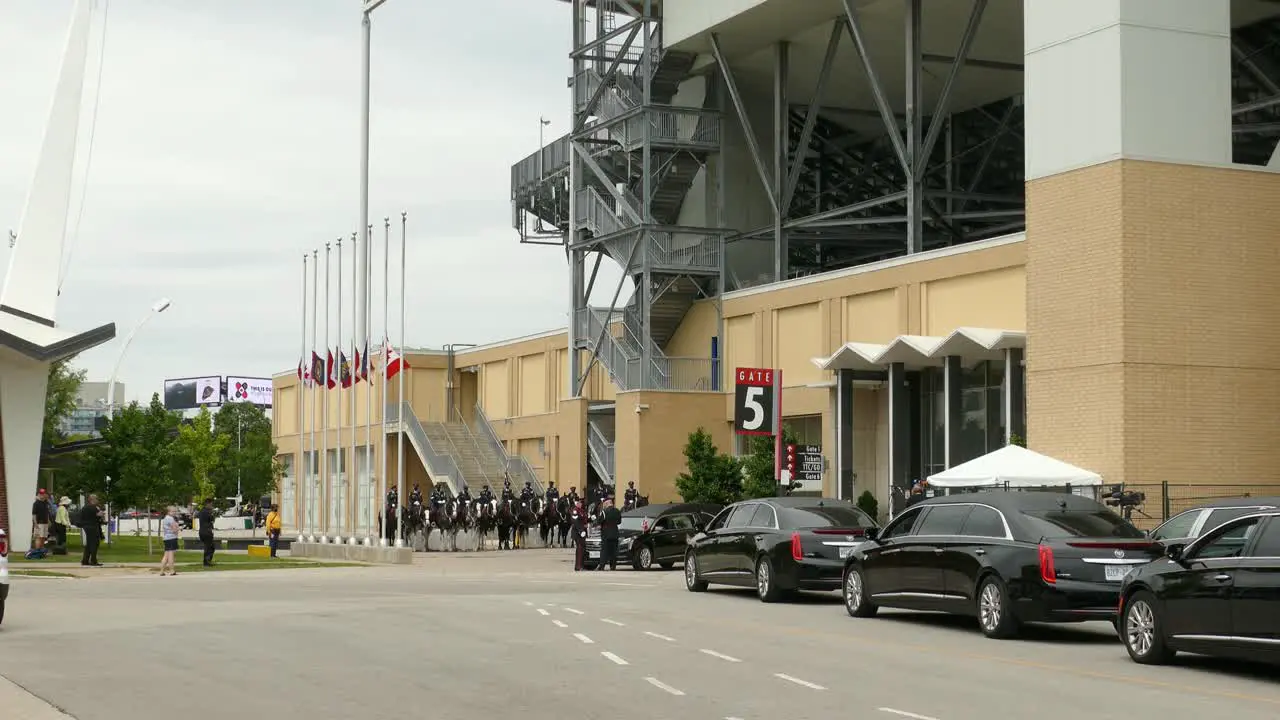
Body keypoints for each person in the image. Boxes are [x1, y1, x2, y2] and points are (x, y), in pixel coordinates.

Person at [597, 497, 622, 571]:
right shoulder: (617, 511)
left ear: (607, 503)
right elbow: (619, 522)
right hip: (615, 533)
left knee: (604, 550)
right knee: (614, 551)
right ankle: (613, 566)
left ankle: (602, 566)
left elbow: (599, 521)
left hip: (606, 533)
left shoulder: (604, 512)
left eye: (605, 504)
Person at [79, 495, 104, 567]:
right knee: (94, 543)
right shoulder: (93, 507)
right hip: (93, 527)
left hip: (86, 527)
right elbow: (99, 515)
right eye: (96, 499)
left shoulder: (84, 508)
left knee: (89, 544)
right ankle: (93, 560)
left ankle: (85, 560)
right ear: (92, 500)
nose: (97, 500)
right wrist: (101, 514)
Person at [160, 506, 181, 576]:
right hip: (172, 538)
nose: (175, 512)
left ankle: (162, 571)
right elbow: (174, 530)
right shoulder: (171, 519)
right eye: (173, 511)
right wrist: (179, 528)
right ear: (168, 512)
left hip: (166, 538)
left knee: (166, 555)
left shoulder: (165, 518)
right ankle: (172, 571)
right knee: (171, 555)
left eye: (175, 511)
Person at [197, 499, 216, 567]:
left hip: (202, 531)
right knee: (208, 547)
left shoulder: (202, 511)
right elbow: (211, 519)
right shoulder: (207, 511)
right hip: (207, 531)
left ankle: (207, 561)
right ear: (207, 504)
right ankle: (206, 562)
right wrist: (212, 513)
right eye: (211, 504)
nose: (212, 506)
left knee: (210, 547)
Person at [571, 501, 588, 572]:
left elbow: (584, 520)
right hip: (577, 533)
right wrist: (581, 531)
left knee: (583, 549)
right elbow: (575, 522)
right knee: (579, 549)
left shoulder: (582, 511)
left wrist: (591, 519)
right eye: (579, 503)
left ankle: (582, 565)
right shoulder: (575, 511)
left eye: (581, 503)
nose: (580, 504)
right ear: (577, 504)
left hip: (583, 532)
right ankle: (578, 566)